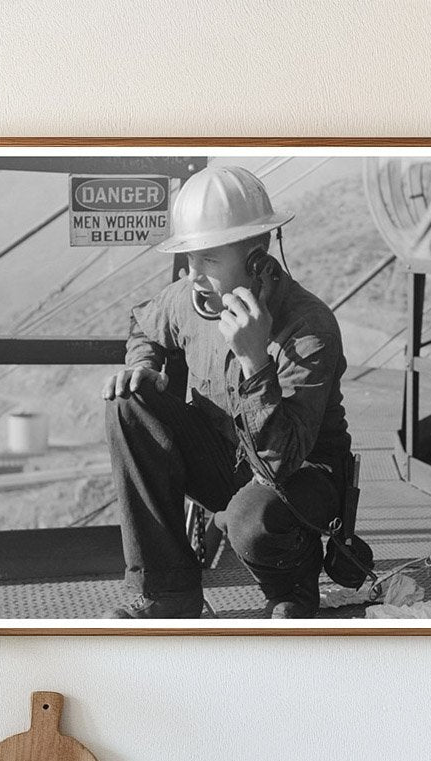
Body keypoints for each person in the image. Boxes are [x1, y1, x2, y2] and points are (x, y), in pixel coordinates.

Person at [102, 164, 352, 619]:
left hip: (300, 477)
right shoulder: (192, 298)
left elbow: (279, 463)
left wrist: (256, 360)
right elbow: (143, 322)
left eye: (209, 260)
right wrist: (144, 366)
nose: (194, 274)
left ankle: (293, 585)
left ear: (257, 258)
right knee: (128, 401)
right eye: (190, 259)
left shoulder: (308, 326)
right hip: (227, 460)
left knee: (251, 515)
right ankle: (168, 593)